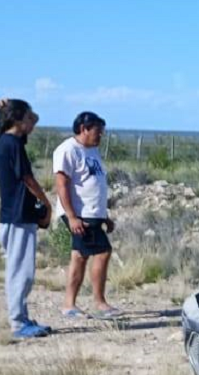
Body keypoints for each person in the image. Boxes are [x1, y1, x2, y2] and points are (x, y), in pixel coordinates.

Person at [54, 111, 120, 319]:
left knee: (80, 256)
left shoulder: (92, 151)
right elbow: (62, 184)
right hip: (79, 214)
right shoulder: (67, 150)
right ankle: (99, 303)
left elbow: (94, 185)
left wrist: (104, 215)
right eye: (97, 132)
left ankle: (69, 304)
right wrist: (72, 216)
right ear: (84, 129)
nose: (101, 136)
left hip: (93, 214)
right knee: (102, 252)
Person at [0, 99, 54, 339]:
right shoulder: (11, 143)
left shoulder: (8, 141)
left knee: (20, 269)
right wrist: (46, 201)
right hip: (17, 215)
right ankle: (18, 323)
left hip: (14, 214)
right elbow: (27, 178)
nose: (34, 122)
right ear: (18, 119)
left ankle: (20, 317)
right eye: (29, 118)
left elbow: (35, 118)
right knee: (21, 271)